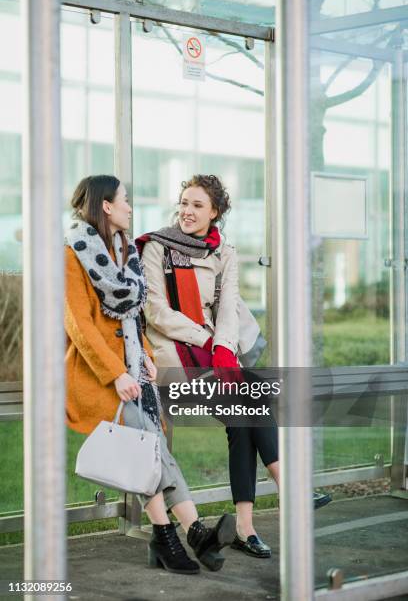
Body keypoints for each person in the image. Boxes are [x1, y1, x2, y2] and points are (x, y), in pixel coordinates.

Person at [138, 174, 331, 560]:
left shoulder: (224, 252)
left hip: (213, 354)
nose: (187, 211)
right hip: (175, 356)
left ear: (215, 212)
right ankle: (287, 488)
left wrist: (225, 348)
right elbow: (155, 311)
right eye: (184, 203)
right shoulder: (156, 247)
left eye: (197, 205)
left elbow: (228, 309)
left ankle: (246, 527)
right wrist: (207, 341)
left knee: (245, 416)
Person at [64, 174, 235, 576]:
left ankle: (180, 536)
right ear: (106, 205)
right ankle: (181, 534)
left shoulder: (124, 251)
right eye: (124, 199)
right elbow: (80, 326)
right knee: (148, 444)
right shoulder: (72, 254)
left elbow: (132, 317)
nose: (129, 206)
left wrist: (142, 356)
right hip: (97, 376)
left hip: (133, 370)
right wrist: (116, 373)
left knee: (150, 446)